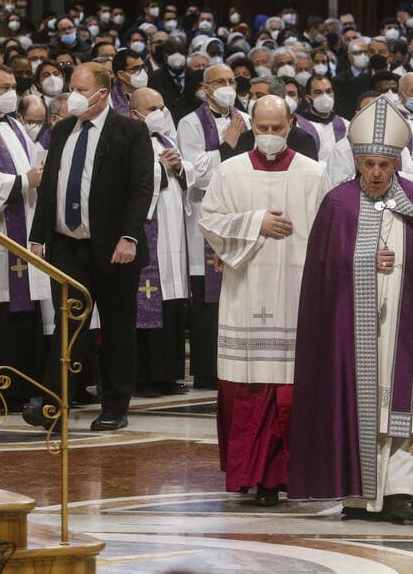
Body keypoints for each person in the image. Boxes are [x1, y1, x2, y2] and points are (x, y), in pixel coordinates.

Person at [289, 96, 413, 523]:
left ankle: (402, 492)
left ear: (396, 163)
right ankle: (361, 494)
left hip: (408, 326)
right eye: (368, 164)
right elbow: (321, 271)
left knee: (409, 410)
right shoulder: (338, 203)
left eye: (383, 166)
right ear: (356, 160)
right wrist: (363, 261)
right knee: (362, 408)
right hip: (354, 333)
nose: (375, 173)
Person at [199, 95, 324, 506]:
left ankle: (296, 472)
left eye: (278, 128)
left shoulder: (314, 173)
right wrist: (257, 223)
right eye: (263, 128)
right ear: (251, 124)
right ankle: (255, 474)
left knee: (292, 385)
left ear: (291, 125)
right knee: (249, 385)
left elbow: (329, 231)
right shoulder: (229, 170)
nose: (270, 136)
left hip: (296, 296)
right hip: (246, 293)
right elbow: (210, 220)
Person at [24, 63, 153, 431]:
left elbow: (141, 187)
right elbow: (50, 185)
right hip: (68, 246)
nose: (74, 94)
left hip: (114, 247)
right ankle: (53, 403)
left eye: (81, 88)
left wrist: (129, 236)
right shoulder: (63, 129)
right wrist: (38, 235)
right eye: (72, 87)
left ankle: (115, 406)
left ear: (103, 91)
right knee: (68, 326)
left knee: (116, 327)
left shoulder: (130, 131)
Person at [177, 63, 250, 389]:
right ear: (205, 88)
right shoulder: (190, 123)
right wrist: (224, 147)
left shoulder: (246, 119)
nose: (227, 86)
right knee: (208, 300)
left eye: (231, 81)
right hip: (203, 214)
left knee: (239, 291)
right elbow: (192, 171)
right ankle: (208, 370)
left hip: (240, 213)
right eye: (220, 81)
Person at [129, 87, 191, 396]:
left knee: (173, 301)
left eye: (162, 106)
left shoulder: (168, 139)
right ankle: (144, 377)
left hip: (173, 236)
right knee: (148, 298)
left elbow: (187, 177)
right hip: (146, 234)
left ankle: (168, 373)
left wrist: (180, 167)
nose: (160, 113)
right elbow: (129, 181)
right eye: (152, 108)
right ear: (134, 113)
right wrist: (161, 169)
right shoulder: (128, 140)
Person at [0, 64, 48, 412]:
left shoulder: (14, 124)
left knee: (24, 313)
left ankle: (22, 388)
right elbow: (22, 177)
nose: (11, 92)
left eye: (14, 86)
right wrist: (23, 182)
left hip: (23, 229)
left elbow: (35, 166)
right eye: (3, 87)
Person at [294, 73, 348, 161]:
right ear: (308, 99)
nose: (325, 96)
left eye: (328, 91)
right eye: (318, 92)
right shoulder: (298, 125)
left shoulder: (345, 125)